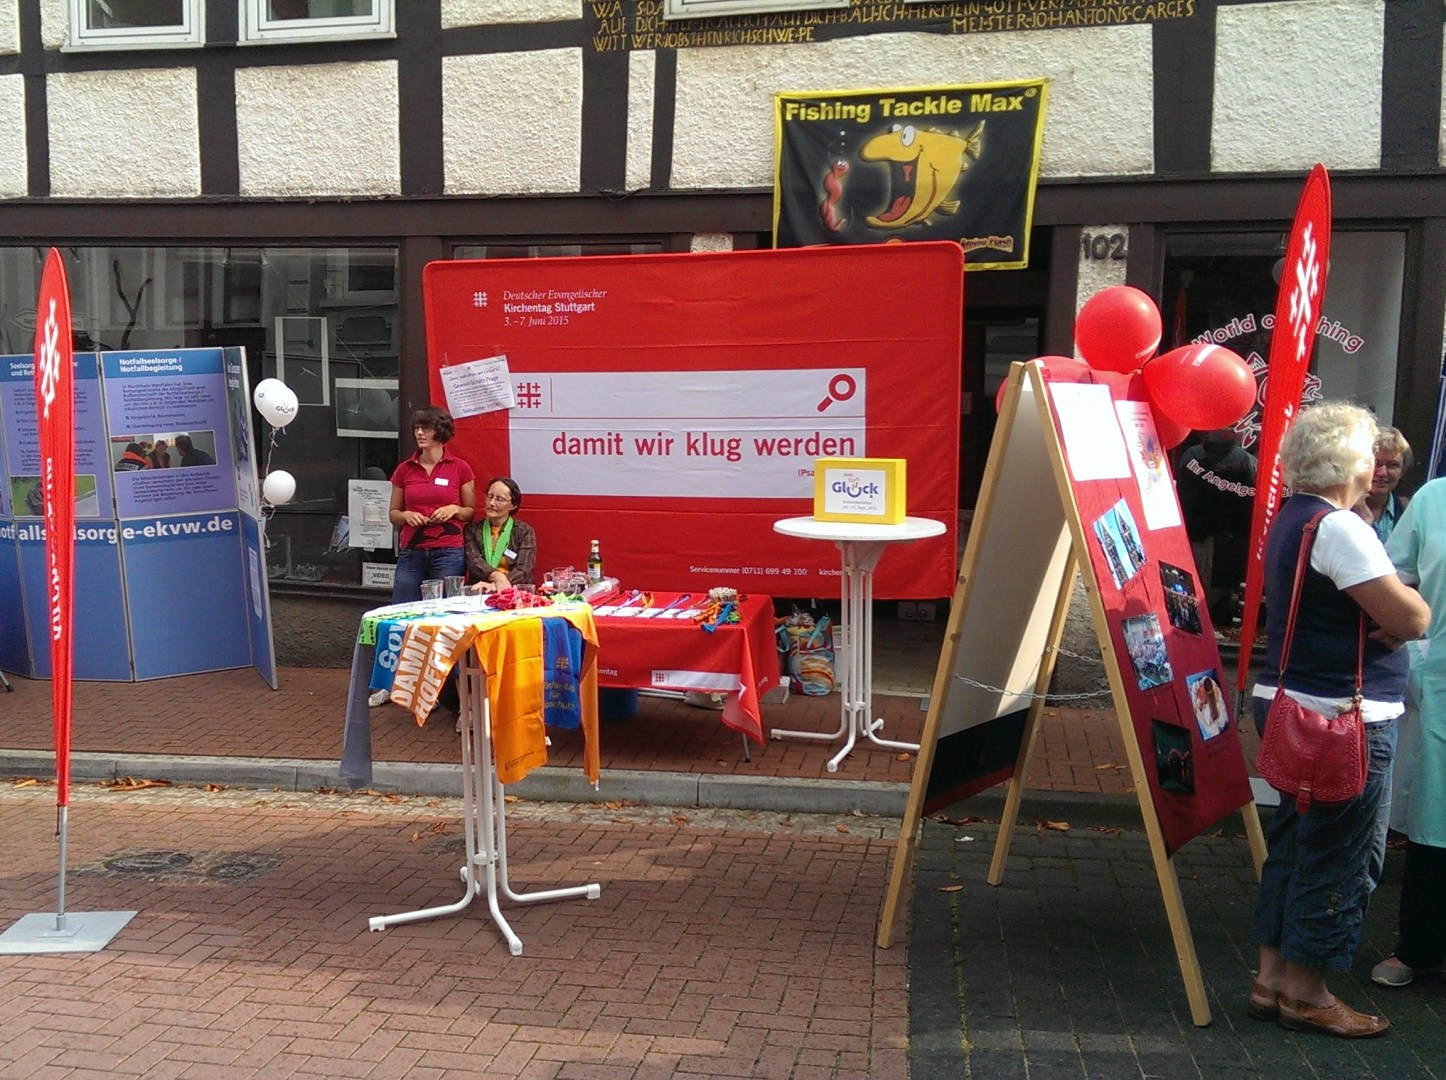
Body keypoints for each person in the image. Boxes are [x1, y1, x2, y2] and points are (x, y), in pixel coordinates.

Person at [1247, 402, 1430, 1038]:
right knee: (1344, 856)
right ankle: (1309, 993)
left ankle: (1271, 980)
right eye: (1369, 456)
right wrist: (1414, 608)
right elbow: (1410, 619)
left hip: (1292, 699)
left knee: (1294, 848)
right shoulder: (1340, 527)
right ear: (1349, 463)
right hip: (1341, 714)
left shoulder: (1292, 517)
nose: (1377, 466)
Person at [1370, 475, 1446, 988]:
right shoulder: (1434, 498)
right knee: (1436, 819)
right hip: (1442, 684)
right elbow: (1394, 576)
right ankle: (1420, 948)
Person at [388, 406, 476, 602]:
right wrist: (406, 516)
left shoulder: (460, 468)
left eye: (426, 428)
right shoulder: (404, 469)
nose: (419, 433)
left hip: (448, 551)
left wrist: (453, 509)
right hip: (412, 550)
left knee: (445, 608)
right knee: (403, 607)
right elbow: (393, 513)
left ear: (440, 431)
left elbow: (470, 512)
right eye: (417, 428)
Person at [464, 477, 536, 592]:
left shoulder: (524, 531)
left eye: (499, 499)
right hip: (480, 589)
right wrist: (497, 577)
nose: (492, 503)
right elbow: (475, 562)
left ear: (513, 505)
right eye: (490, 496)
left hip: (515, 589)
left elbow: (523, 569)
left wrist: (498, 584)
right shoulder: (472, 529)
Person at [1356, 427, 1411, 544]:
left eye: (1393, 465)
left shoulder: (1408, 511)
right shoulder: (1341, 509)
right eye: (1376, 463)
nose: (1382, 472)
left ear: (1402, 471)